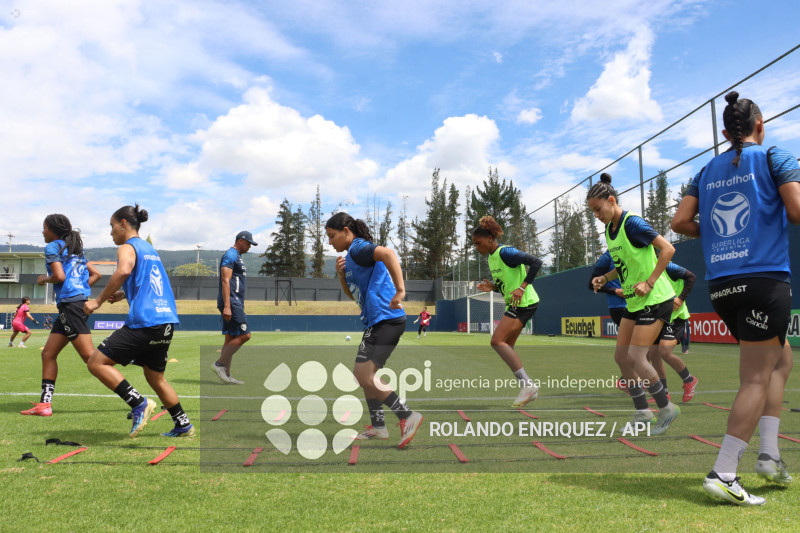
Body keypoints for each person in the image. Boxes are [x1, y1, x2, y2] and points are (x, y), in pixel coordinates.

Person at [672, 92, 800, 506]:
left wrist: (723, 234)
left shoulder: (707, 169)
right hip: (764, 281)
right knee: (756, 378)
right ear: (760, 127)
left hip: (723, 286)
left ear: (726, 133)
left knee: (780, 360)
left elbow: (680, 222)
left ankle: (769, 455)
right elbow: (795, 210)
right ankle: (725, 472)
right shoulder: (774, 157)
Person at [83, 204, 194, 438]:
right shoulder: (149, 249)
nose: (110, 232)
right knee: (155, 376)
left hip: (145, 321)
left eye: (112, 226)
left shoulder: (127, 246)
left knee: (96, 362)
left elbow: (123, 271)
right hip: (165, 322)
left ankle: (139, 404)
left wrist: (98, 301)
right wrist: (124, 294)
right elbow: (152, 282)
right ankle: (183, 423)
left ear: (123, 224)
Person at [588, 173, 680, 435]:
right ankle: (642, 411)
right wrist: (605, 277)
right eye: (592, 211)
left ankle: (666, 408)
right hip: (634, 301)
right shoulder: (610, 230)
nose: (596, 215)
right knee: (621, 357)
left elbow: (668, 250)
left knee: (636, 357)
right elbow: (622, 264)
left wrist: (649, 282)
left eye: (598, 209)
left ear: (612, 200)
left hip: (656, 297)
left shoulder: (633, 223)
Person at [326, 212, 423, 449]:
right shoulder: (351, 257)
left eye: (331, 236)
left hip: (386, 319)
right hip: (377, 321)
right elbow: (354, 293)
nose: (330, 242)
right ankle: (378, 427)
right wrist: (341, 275)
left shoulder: (358, 247)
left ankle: (407, 416)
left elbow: (388, 253)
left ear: (346, 232)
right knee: (365, 377)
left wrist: (400, 290)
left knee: (363, 375)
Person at [21, 214, 101, 417]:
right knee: (48, 354)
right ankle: (44, 405)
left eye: (44, 228)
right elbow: (96, 274)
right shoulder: (75, 249)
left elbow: (59, 276)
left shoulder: (53, 247)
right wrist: (81, 290)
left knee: (92, 359)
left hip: (70, 306)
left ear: (53, 229)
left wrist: (42, 280)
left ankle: (138, 400)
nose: (42, 232)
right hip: (74, 304)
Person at [471, 215, 543, 408]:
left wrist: (522, 287)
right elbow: (507, 281)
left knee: (496, 341)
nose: (477, 248)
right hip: (517, 303)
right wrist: (494, 288)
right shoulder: (492, 258)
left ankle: (528, 386)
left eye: (478, 243)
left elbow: (536, 262)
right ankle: (527, 387)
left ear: (489, 239)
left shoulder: (506, 252)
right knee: (507, 345)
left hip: (523, 303)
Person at [645, 262, 699, 403]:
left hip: (675, 316)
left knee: (665, 352)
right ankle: (663, 393)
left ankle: (689, 380)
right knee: (653, 354)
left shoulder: (666, 265)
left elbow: (691, 277)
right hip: (659, 315)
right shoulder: (645, 268)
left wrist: (681, 298)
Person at [212, 231, 257, 384]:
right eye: (249, 243)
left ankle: (227, 375)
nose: (250, 246)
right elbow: (225, 280)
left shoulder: (238, 257)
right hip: (231, 302)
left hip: (235, 302)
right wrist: (227, 306)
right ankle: (219, 364)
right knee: (245, 335)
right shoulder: (230, 255)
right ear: (240, 241)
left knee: (230, 337)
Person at [588, 250, 629, 393]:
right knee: (643, 347)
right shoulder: (607, 257)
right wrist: (616, 291)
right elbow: (590, 284)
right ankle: (630, 381)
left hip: (641, 305)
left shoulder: (638, 249)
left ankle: (630, 381)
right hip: (620, 308)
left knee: (644, 347)